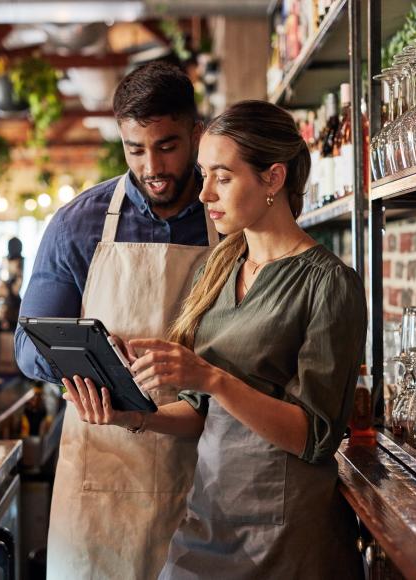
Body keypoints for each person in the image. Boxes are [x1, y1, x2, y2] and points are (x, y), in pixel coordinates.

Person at [63, 100, 368, 579]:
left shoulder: (329, 283)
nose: (204, 193)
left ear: (273, 178)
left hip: (285, 532)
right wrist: (135, 416)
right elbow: (199, 414)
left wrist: (211, 377)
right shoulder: (218, 266)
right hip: (209, 514)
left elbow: (316, 437)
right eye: (203, 174)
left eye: (222, 177)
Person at [14, 61, 219, 579]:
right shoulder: (78, 223)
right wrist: (92, 355)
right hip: (101, 479)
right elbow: (26, 344)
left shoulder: (227, 218)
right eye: (135, 149)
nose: (152, 165)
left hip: (205, 474)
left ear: (196, 134)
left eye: (168, 146)